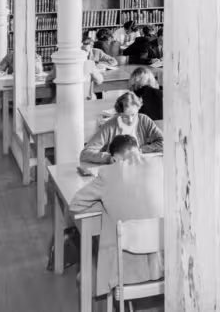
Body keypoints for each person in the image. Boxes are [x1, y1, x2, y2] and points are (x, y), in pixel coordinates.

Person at [69, 135, 164, 299]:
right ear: (139, 150)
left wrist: (107, 202)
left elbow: (76, 204)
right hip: (163, 261)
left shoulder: (108, 173)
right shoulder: (161, 164)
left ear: (113, 159)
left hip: (124, 269)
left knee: (107, 227)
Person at [80, 92, 164, 164]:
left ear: (138, 109)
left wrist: (141, 150)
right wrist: (109, 158)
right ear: (118, 114)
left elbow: (163, 141)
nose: (130, 120)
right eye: (125, 117)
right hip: (117, 168)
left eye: (134, 115)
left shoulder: (144, 120)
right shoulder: (109, 126)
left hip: (139, 166)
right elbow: (85, 153)